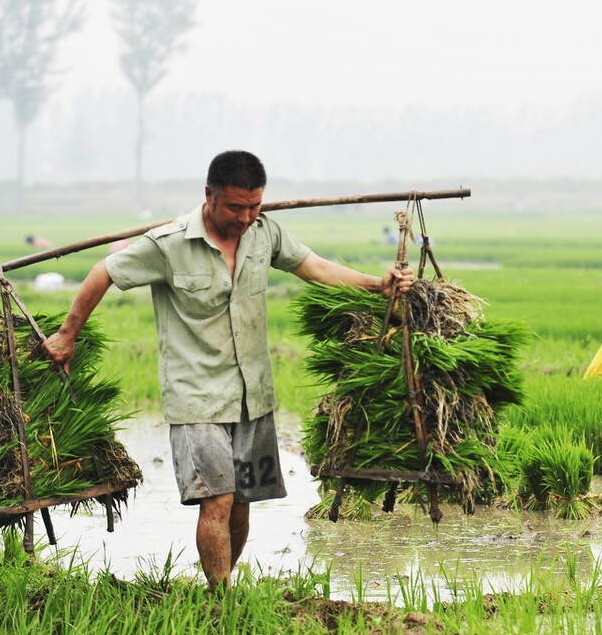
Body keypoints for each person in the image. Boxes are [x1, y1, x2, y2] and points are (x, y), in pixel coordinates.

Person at [42, 150, 414, 589]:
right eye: (236, 207)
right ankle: (223, 601)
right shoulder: (169, 244)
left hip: (252, 394)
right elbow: (103, 272)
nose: (245, 217)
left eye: (254, 206)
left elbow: (314, 267)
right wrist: (67, 334)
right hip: (195, 396)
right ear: (209, 196)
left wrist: (377, 284)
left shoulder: (265, 234)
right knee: (216, 498)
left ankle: (221, 589)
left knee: (240, 503)